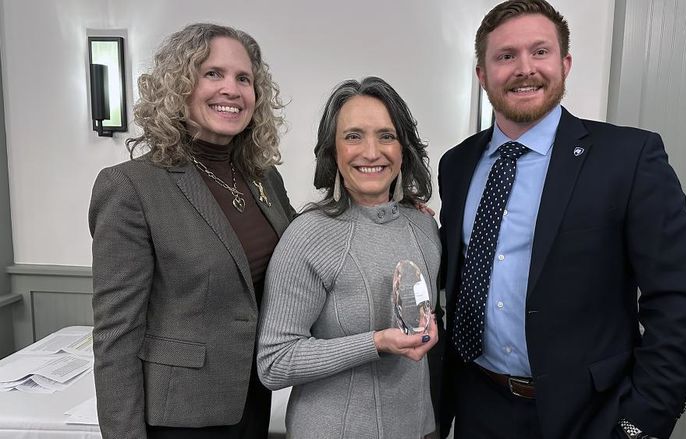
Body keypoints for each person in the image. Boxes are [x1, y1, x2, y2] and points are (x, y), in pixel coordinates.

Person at [437, 1, 686, 438]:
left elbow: (680, 300)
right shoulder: (457, 165)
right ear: (482, 74)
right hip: (478, 406)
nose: (524, 68)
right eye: (506, 56)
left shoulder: (628, 158)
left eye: (540, 52)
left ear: (565, 64)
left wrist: (639, 423)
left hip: (590, 416)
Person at [89, 23, 295, 439]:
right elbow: (116, 334)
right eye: (212, 74)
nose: (232, 90)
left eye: (244, 78)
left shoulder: (263, 178)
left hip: (251, 400)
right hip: (178, 417)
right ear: (179, 85)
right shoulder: (130, 187)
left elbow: (302, 246)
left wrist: (391, 207)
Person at [256, 76, 440, 439]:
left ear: (403, 148)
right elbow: (274, 362)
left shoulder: (424, 227)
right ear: (333, 151)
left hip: (418, 428)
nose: (371, 152)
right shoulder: (308, 235)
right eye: (353, 136)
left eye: (386, 135)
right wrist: (376, 343)